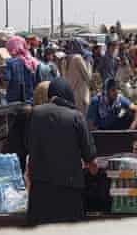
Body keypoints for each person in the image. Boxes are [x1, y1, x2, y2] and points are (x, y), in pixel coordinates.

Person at [25, 78, 97, 226]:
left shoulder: (35, 114)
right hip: (69, 195)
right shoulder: (77, 117)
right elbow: (91, 162)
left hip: (40, 193)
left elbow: (27, 148)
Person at [60, 39, 92, 114]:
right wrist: (89, 65)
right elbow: (88, 77)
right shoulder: (78, 58)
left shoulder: (64, 60)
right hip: (80, 96)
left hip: (68, 95)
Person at [4, 36, 38, 104]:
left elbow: (6, 81)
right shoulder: (33, 61)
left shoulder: (9, 62)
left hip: (13, 101)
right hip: (30, 99)